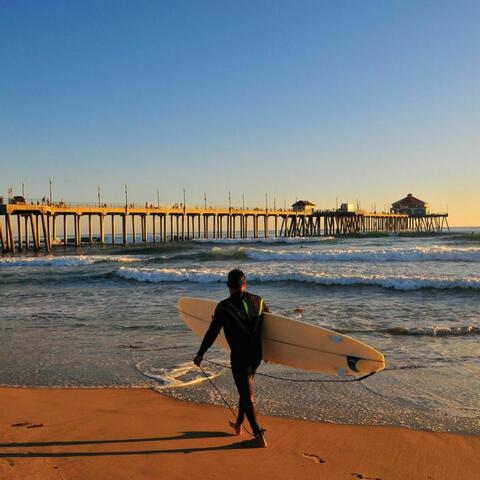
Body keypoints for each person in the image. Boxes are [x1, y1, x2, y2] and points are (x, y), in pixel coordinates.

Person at [193, 269, 269, 448]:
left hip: (240, 356)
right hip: (256, 355)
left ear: (229, 286)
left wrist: (200, 354)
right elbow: (270, 329)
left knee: (246, 394)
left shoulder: (224, 307)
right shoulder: (260, 301)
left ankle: (258, 436)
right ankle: (238, 424)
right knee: (245, 390)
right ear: (245, 284)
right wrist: (269, 353)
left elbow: (212, 332)